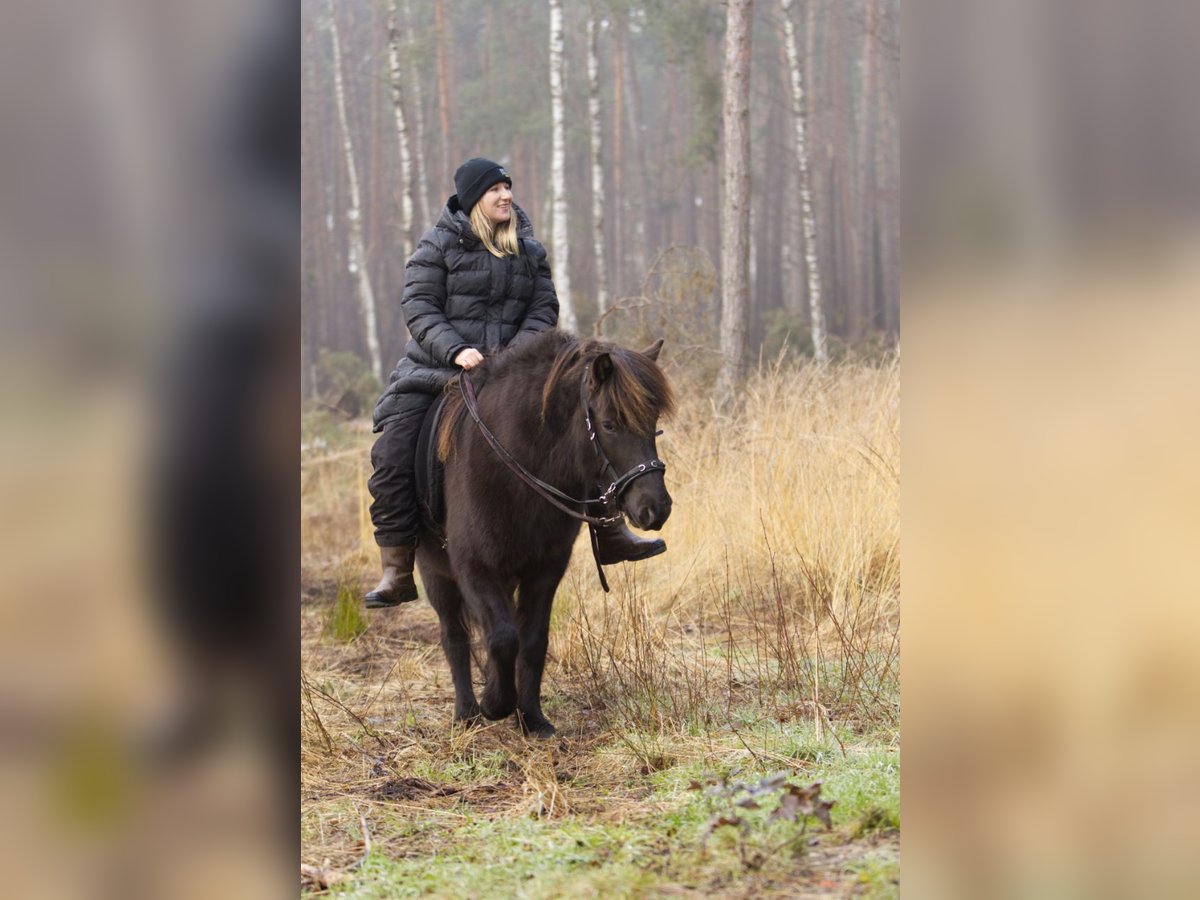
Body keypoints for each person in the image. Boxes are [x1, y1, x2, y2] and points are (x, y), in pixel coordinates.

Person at [365, 157, 665, 608]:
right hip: (439, 372)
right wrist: (456, 350)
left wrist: (514, 357)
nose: (506, 195)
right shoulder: (436, 246)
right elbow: (420, 308)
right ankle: (398, 565)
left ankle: (611, 532)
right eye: (495, 190)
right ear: (473, 200)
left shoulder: (529, 250)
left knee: (587, 429)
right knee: (391, 453)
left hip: (511, 376)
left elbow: (543, 310)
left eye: (508, 187)